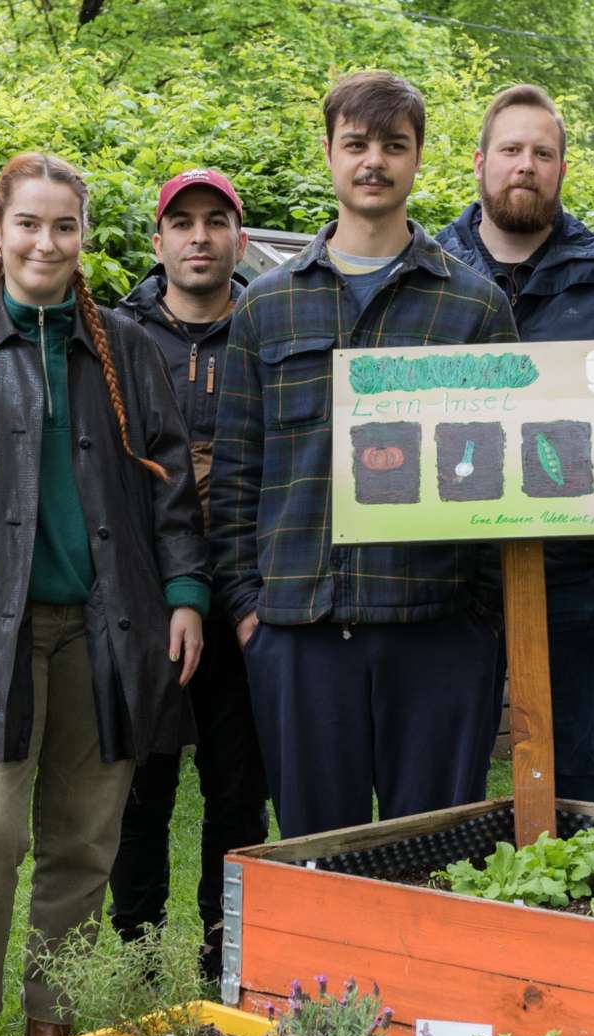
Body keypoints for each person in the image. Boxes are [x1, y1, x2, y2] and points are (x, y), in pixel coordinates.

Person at [0, 153, 209, 1036]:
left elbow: (172, 484)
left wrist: (186, 591)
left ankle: (50, 1030)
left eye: (64, 226)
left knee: (83, 840)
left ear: (84, 236)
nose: (46, 242)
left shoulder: (126, 349)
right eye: (28, 223)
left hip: (109, 630)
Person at [212, 70, 518, 839]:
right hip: (301, 633)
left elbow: (503, 476)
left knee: (436, 858)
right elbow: (237, 474)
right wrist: (249, 612)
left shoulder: (474, 306)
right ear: (329, 153)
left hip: (437, 629)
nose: (373, 161)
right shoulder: (265, 306)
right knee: (323, 865)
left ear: (418, 157)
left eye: (393, 145)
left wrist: (480, 622)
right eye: (355, 144)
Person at [434, 84, 594, 807]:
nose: (526, 164)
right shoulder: (430, 269)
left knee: (569, 756)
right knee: (450, 760)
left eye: (543, 153)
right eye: (511, 149)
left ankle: (575, 877)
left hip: (572, 568)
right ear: (480, 162)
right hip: (451, 568)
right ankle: (457, 882)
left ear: (561, 168)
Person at [106, 170, 271, 985]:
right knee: (141, 788)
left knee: (238, 789)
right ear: (158, 240)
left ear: (240, 238)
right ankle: (137, 951)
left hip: (242, 597)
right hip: (145, 603)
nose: (199, 237)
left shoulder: (268, 327)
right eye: (182, 223)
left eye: (215, 221)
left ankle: (224, 951)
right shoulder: (116, 337)